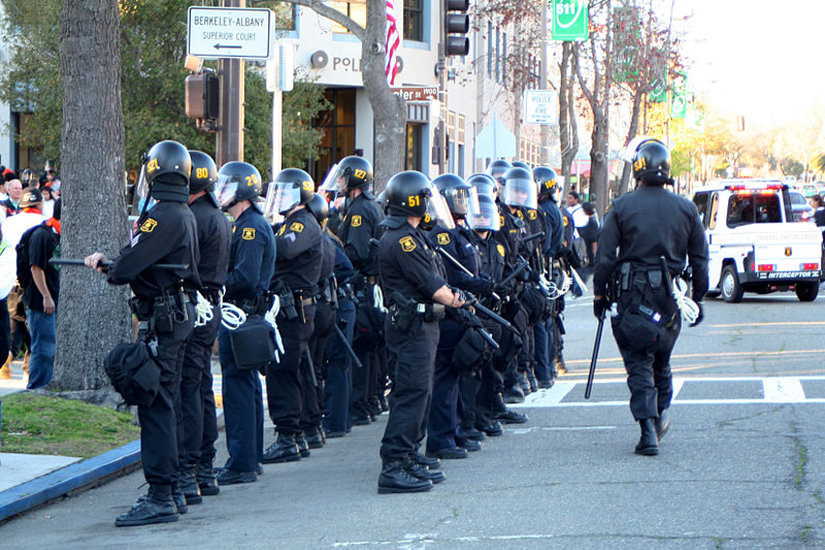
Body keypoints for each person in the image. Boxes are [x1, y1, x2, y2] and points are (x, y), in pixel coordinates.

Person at [85, 139, 199, 526]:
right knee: (168, 400)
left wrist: (108, 265)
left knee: (155, 405)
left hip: (164, 319)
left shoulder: (163, 215)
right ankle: (175, 486)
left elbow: (129, 264)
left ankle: (161, 494)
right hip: (175, 316)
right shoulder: (181, 212)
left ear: (154, 171)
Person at [592, 138, 708, 456]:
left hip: (633, 295)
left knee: (638, 360)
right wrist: (700, 297)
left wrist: (600, 295)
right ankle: (661, 413)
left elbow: (604, 258)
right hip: (670, 297)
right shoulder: (686, 208)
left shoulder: (621, 206)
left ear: (639, 168)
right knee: (662, 357)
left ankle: (647, 428)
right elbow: (700, 256)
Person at [377, 170, 465, 494]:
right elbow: (432, 285)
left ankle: (410, 453)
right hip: (411, 328)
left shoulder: (414, 235)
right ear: (413, 201)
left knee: (422, 393)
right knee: (411, 394)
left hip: (422, 327)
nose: (430, 206)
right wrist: (456, 300)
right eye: (426, 199)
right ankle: (394, 463)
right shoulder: (400, 239)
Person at [212, 161, 275, 485]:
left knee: (239, 389)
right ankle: (250, 458)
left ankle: (242, 462)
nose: (221, 192)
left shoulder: (249, 227)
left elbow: (245, 278)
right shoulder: (247, 224)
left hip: (240, 315)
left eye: (226, 186)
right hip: (246, 315)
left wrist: (214, 281)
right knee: (245, 387)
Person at [176, 151, 231, 503]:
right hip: (210, 304)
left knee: (189, 390)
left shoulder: (195, 217)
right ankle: (205, 468)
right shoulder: (217, 215)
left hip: (195, 305)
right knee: (201, 387)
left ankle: (192, 467)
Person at [263, 168, 321, 464]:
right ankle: (298, 432)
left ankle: (288, 435)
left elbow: (286, 250)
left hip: (294, 309)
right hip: (292, 307)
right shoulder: (292, 223)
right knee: (292, 370)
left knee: (282, 371)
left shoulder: (302, 224)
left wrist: (263, 236)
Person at [324, 156, 385, 426]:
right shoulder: (369, 206)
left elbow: (356, 253)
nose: (340, 182)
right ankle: (371, 400)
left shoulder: (359, 211)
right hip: (373, 286)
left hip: (362, 286)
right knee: (371, 347)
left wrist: (335, 240)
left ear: (355, 180)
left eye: (343, 177)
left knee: (360, 346)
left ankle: (360, 403)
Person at [18, 188, 59, 389]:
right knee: (43, 348)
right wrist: (46, 296)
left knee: (48, 346)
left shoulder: (55, 233)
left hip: (51, 298)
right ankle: (36, 387)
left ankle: (45, 383)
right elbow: (36, 267)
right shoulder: (42, 235)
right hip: (40, 300)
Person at [533, 167, 564, 388]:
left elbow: (543, 244)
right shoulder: (554, 208)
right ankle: (550, 367)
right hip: (553, 268)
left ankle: (544, 372)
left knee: (540, 322)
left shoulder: (543, 211)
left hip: (545, 268)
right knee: (548, 320)